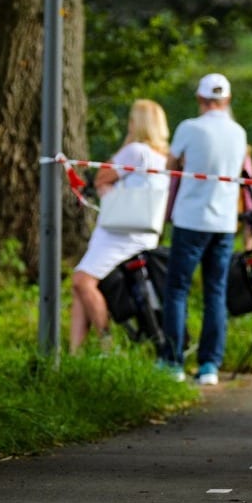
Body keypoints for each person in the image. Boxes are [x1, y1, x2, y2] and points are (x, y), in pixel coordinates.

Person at [161, 73, 248, 386]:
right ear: (227, 100)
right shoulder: (238, 133)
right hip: (224, 223)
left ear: (200, 99)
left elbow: (170, 165)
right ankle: (210, 365)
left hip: (190, 219)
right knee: (215, 292)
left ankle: (172, 361)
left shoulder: (189, 127)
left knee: (177, 289)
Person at [69, 100, 171, 352]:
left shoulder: (135, 151)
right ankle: (73, 352)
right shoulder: (163, 159)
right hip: (146, 234)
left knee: (82, 281)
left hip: (118, 232)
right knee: (81, 286)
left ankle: (106, 344)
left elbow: (102, 177)